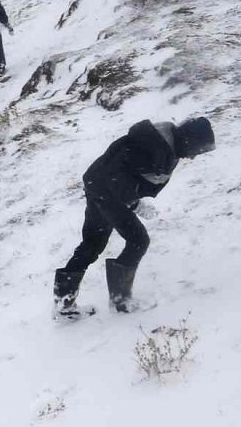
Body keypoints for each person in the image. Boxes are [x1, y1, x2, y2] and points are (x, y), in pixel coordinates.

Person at [53, 116, 214, 316]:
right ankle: (120, 302)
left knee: (93, 243)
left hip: (99, 185)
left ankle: (63, 305)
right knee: (138, 240)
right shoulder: (153, 145)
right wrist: (134, 202)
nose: (193, 157)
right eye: (197, 150)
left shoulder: (165, 144)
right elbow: (116, 173)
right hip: (107, 191)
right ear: (189, 140)